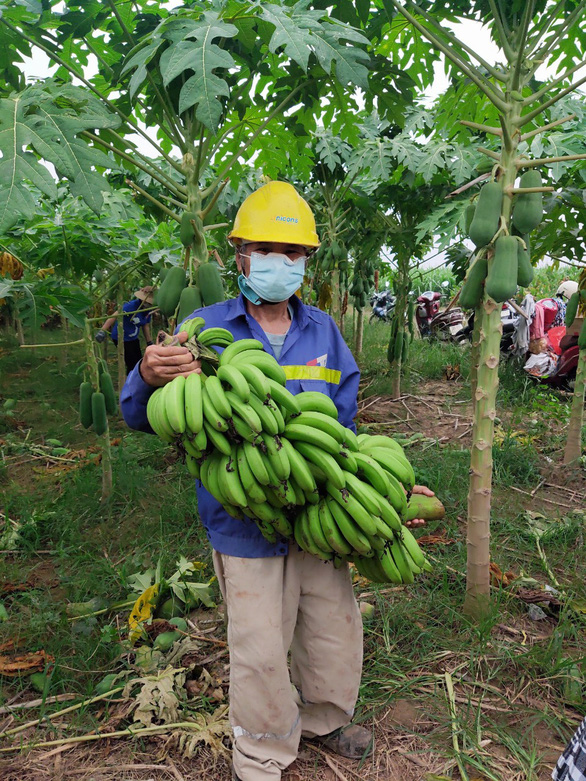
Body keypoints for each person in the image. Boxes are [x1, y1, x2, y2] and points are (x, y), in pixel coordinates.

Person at [119, 182, 433, 781]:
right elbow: (141, 416)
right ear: (238, 254)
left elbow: (344, 428)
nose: (280, 263)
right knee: (260, 647)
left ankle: (325, 716)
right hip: (244, 518)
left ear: (306, 262)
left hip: (323, 506)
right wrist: (147, 372)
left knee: (330, 626)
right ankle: (264, 752)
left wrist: (382, 492)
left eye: (293, 253)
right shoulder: (201, 332)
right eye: (266, 248)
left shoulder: (325, 334)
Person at [96, 286, 156, 374]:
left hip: (133, 338)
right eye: (148, 303)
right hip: (121, 337)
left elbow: (145, 326)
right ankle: (130, 381)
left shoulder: (147, 310)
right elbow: (114, 316)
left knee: (139, 361)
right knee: (131, 363)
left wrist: (149, 342)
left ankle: (135, 377)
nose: (149, 305)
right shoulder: (130, 306)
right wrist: (102, 331)